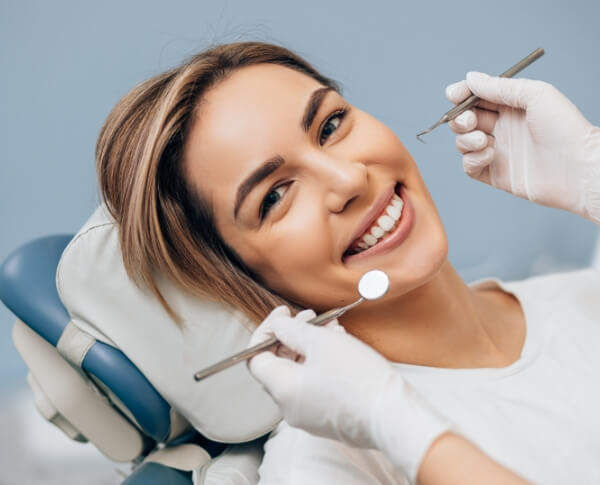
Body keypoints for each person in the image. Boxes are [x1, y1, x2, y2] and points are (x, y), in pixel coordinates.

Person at [95, 42, 600, 484]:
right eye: (274, 197)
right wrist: (392, 420)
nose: (348, 180)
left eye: (330, 125)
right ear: (237, 275)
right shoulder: (323, 466)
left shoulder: (583, 295)